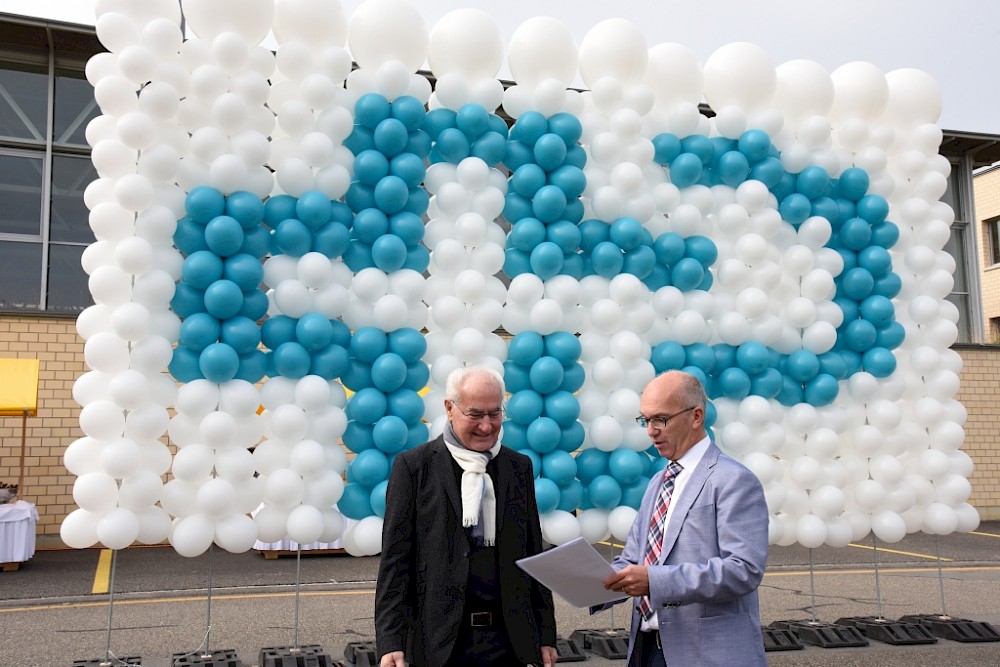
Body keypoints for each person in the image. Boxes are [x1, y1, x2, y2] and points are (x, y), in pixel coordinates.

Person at [375, 366, 558, 667]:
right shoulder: (414, 468)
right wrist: (390, 641)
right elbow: (395, 563)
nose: (486, 426)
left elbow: (532, 554)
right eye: (475, 415)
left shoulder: (518, 467)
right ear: (449, 408)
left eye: (494, 413)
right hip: (438, 644)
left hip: (509, 643)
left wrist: (546, 634)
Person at [596, 370, 769, 667]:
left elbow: (743, 570)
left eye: (660, 419)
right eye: (645, 420)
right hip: (648, 650)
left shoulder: (734, 480)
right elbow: (634, 559)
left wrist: (654, 581)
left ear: (696, 416)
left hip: (708, 655)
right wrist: (592, 583)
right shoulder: (658, 482)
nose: (651, 431)